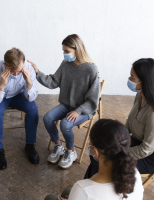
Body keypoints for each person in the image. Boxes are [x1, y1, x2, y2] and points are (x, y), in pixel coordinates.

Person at [84, 58, 154, 178]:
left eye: (132, 77)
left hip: (149, 157)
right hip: (136, 141)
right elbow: (129, 123)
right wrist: (115, 138)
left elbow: (146, 149)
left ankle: (92, 189)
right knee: (97, 149)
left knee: (101, 159)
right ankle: (91, 187)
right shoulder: (140, 96)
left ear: (144, 81)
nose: (129, 79)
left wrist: (117, 151)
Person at [29, 34, 100, 169]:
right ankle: (58, 146)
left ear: (77, 50)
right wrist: (37, 72)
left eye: (67, 51)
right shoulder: (66, 64)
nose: (64, 54)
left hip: (84, 109)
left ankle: (71, 151)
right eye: (63, 51)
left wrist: (78, 111)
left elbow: (93, 100)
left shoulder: (91, 69)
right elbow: (53, 81)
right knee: (47, 118)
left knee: (65, 124)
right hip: (67, 105)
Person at [44, 119, 144, 200]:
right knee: (67, 192)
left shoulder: (83, 189)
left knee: (50, 198)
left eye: (90, 144)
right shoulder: (135, 173)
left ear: (96, 151)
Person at [0, 47, 39, 170]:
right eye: (12, 71)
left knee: (33, 109)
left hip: (18, 96)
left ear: (23, 64)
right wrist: (1, 85)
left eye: (18, 72)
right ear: (5, 65)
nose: (15, 75)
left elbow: (31, 98)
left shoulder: (28, 68)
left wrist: (29, 83)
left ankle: (30, 145)